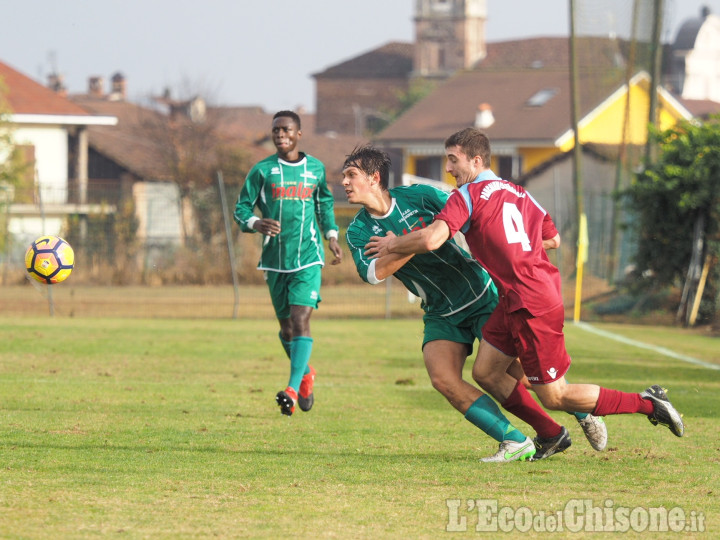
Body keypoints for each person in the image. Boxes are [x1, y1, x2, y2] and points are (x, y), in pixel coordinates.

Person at [365, 128, 684, 446]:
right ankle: (550, 435)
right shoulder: (519, 191)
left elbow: (433, 238)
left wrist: (394, 244)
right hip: (516, 297)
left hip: (531, 301)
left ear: (476, 161)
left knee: (555, 395)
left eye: (452, 160)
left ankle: (647, 402)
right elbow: (554, 239)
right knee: (487, 372)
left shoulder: (467, 195)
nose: (448, 169)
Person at [343, 145, 607, 462]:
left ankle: (581, 411)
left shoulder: (419, 197)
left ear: (373, 178)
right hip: (440, 312)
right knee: (443, 379)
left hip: (482, 297)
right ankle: (516, 441)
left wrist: (406, 242)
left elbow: (467, 219)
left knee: (520, 371)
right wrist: (418, 241)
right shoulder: (358, 229)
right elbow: (373, 273)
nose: (344, 182)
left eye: (351, 175)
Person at [234, 110, 342, 416]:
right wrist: (256, 223)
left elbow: (324, 204)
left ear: (298, 134)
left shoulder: (316, 169)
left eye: (286, 130)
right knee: (286, 330)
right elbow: (241, 208)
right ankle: (305, 375)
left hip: (308, 257)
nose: (280, 135)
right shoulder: (262, 171)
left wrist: (332, 236)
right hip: (275, 260)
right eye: (275, 131)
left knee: (300, 319)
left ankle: (292, 391)